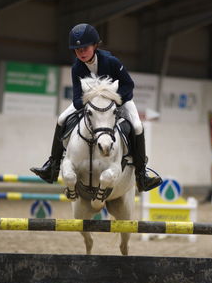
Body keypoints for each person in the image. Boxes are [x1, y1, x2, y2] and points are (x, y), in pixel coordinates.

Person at [31, 23, 162, 192]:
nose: (82, 53)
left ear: (95, 45)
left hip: (120, 101)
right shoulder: (76, 68)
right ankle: (52, 166)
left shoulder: (112, 62)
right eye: (78, 50)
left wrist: (112, 100)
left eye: (85, 48)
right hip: (91, 104)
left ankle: (142, 174)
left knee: (137, 126)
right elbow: (78, 99)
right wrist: (93, 101)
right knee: (62, 118)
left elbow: (128, 85)